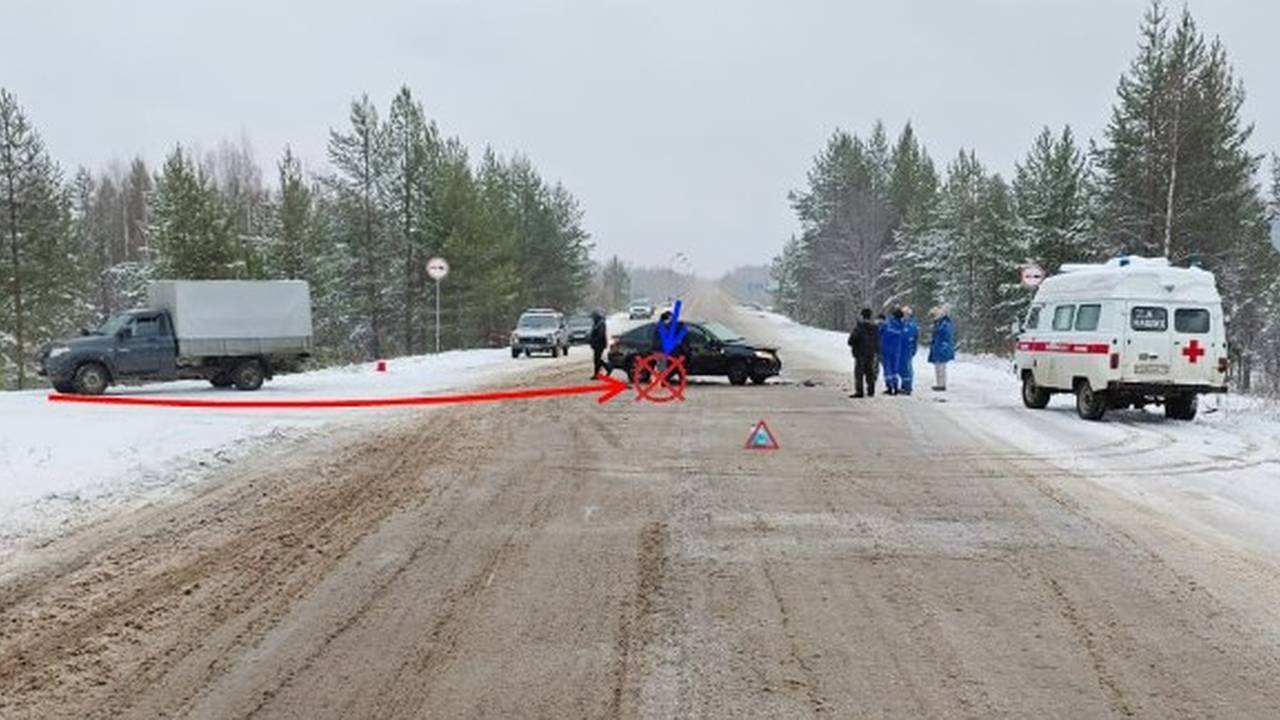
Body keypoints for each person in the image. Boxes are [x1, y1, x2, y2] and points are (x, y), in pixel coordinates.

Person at [846, 308, 879, 398]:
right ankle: (871, 391)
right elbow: (877, 341)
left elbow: (851, 340)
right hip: (871, 352)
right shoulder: (875, 328)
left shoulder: (859, 327)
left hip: (860, 353)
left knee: (859, 373)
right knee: (870, 372)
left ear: (862, 316)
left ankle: (859, 392)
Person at [928, 306, 955, 391]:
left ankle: (941, 384)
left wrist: (943, 346)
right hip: (938, 347)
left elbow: (945, 335)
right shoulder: (940, 323)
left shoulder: (944, 324)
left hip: (941, 347)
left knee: (941, 367)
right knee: (938, 367)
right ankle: (940, 384)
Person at [879, 308, 905, 395]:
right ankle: (896, 387)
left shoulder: (887, 323)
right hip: (897, 350)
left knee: (887, 369)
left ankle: (889, 387)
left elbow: (879, 331)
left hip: (886, 348)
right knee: (895, 369)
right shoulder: (901, 325)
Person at [898, 306, 919, 395]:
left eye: (906, 314)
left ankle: (908, 387)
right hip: (901, 348)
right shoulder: (901, 323)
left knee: (907, 368)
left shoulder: (911, 325)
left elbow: (912, 337)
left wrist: (913, 349)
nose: (904, 316)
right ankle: (904, 385)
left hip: (907, 349)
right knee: (902, 368)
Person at [589, 311, 610, 379]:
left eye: (593, 317)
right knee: (597, 359)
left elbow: (600, 335)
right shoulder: (597, 323)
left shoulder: (601, 324)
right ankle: (606, 368)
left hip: (599, 344)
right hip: (596, 344)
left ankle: (598, 373)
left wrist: (594, 340)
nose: (592, 319)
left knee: (597, 359)